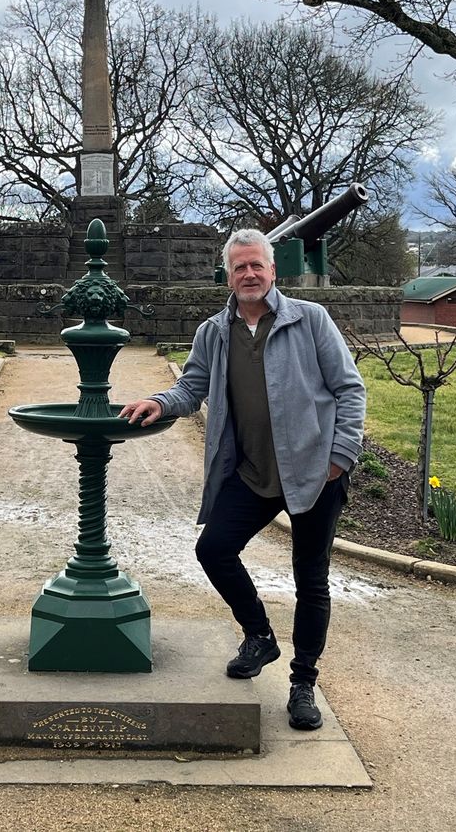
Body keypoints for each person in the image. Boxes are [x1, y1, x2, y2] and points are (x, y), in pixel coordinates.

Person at [119, 229, 365, 731]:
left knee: (310, 579)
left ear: (273, 271)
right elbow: (192, 384)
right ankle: (260, 635)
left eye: (257, 265)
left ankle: (303, 684)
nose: (249, 275)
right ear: (227, 277)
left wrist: (339, 457)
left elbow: (349, 388)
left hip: (316, 475)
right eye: (239, 268)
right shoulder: (214, 331)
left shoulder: (310, 319)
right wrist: (160, 402)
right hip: (252, 473)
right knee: (213, 549)